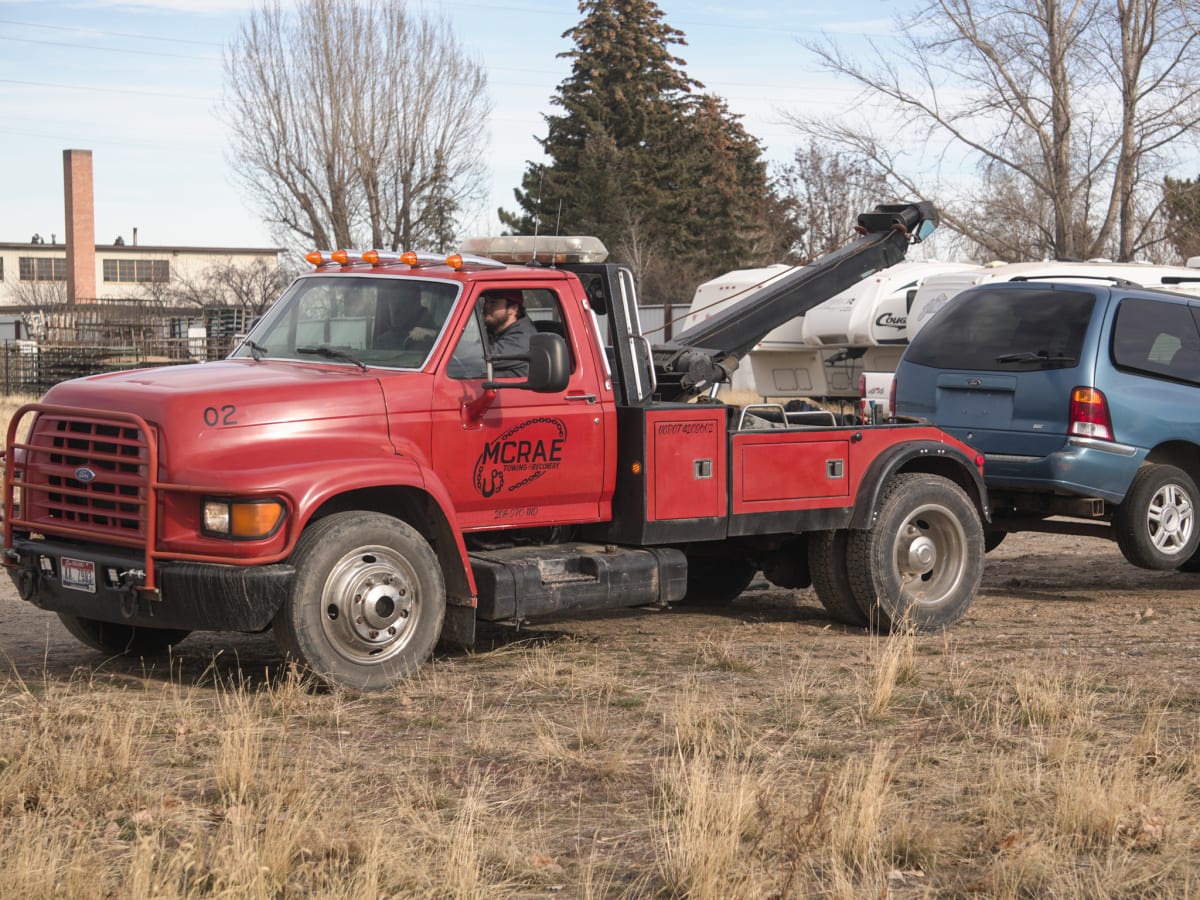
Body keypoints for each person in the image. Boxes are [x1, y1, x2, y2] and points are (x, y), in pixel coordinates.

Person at [482, 289, 537, 377]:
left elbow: (482, 357)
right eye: (485, 301)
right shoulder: (493, 333)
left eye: (493, 302)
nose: (486, 306)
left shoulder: (524, 339)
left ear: (513, 309)